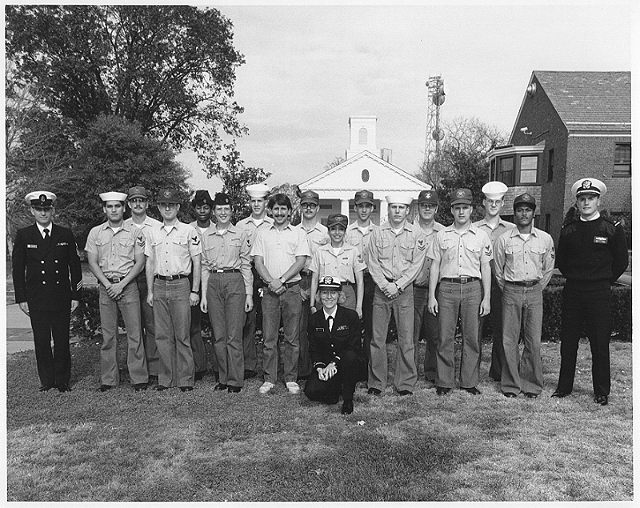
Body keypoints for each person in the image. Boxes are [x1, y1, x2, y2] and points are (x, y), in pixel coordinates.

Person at [552, 178, 628, 406]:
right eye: (582, 199)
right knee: (568, 342)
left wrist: (604, 279)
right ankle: (564, 387)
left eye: (591, 198)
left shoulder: (611, 229)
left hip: (598, 292)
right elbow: (562, 262)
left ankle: (601, 391)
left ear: (598, 200)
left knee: (599, 342)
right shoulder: (569, 230)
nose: (586, 202)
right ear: (577, 202)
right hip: (574, 290)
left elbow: (621, 262)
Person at [12, 191, 82, 392]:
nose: (43, 213)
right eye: (39, 209)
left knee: (61, 341)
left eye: (47, 209)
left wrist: (75, 294)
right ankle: (47, 381)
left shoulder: (64, 234)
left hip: (61, 297)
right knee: (41, 341)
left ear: (53, 210)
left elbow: (74, 266)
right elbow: (17, 269)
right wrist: (21, 298)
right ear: (32, 211)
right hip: (37, 298)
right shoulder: (24, 235)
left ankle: (62, 381)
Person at [427, 188, 492, 396]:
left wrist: (487, 297)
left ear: (472, 209)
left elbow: (486, 267)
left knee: (471, 337)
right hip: (447, 288)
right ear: (452, 210)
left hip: (473, 287)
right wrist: (431, 296)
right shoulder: (441, 235)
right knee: (444, 336)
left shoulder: (481, 236)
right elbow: (435, 266)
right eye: (457, 208)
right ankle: (444, 381)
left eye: (465, 207)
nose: (461, 212)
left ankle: (469, 381)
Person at [493, 193, 555, 398]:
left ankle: (530, 383)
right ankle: (510, 384)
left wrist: (536, 287)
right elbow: (498, 270)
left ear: (533, 213)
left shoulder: (545, 239)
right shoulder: (503, 239)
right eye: (520, 210)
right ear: (514, 213)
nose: (524, 213)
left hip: (535, 291)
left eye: (528, 210)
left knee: (533, 341)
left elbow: (548, 269)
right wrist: (510, 288)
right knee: (509, 339)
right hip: (511, 290)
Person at [86, 191, 148, 392]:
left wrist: (122, 284)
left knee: (134, 334)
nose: (114, 210)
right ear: (104, 209)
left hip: (128, 286)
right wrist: (107, 284)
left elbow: (140, 262)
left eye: (117, 206)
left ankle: (138, 378)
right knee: (108, 335)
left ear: (123, 208)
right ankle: (109, 379)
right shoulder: (95, 232)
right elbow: (92, 262)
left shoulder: (135, 233)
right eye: (110, 206)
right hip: (106, 287)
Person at [365, 193, 426, 396]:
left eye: (401, 208)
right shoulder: (377, 233)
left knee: (406, 338)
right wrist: (384, 284)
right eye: (394, 207)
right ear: (388, 209)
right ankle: (376, 382)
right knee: (377, 338)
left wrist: (398, 285)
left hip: (405, 291)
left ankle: (405, 383)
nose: (398, 211)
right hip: (381, 290)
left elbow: (416, 265)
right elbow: (372, 261)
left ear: (408, 210)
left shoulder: (416, 234)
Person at [251, 193, 311, 395]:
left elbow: (301, 260)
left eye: (283, 209)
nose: (279, 213)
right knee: (269, 337)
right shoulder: (263, 234)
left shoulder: (297, 233)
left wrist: (282, 280)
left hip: (292, 288)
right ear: (270, 210)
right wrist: (271, 282)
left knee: (292, 338)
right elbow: (258, 262)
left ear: (289, 211)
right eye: (275, 209)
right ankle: (269, 379)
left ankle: (291, 378)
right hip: (269, 291)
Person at [145, 189, 202, 392]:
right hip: (160, 284)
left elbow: (197, 261)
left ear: (178, 207)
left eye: (171, 205)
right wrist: (150, 291)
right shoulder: (152, 231)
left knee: (182, 334)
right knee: (162, 335)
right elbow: (150, 263)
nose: (167, 208)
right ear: (159, 208)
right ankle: (166, 379)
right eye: (163, 205)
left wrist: (195, 290)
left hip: (181, 285)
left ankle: (185, 379)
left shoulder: (188, 231)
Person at [200, 192, 253, 393]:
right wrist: (204, 295)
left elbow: (246, 265)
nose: (223, 213)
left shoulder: (240, 234)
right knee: (219, 335)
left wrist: (248, 295)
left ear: (232, 211)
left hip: (234, 280)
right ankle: (222, 377)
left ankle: (235, 380)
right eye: (219, 209)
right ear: (214, 212)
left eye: (226, 209)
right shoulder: (206, 236)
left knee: (234, 335)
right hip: (214, 281)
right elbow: (204, 266)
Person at [304, 276, 367, 415]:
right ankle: (335, 387)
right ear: (319, 296)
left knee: (350, 357)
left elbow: (354, 346)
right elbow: (314, 347)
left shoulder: (351, 316)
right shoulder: (315, 319)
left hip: (348, 362)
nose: (329, 297)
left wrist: (335, 363)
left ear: (339, 295)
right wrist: (320, 367)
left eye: (333, 293)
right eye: (324, 293)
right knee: (311, 391)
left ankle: (348, 399)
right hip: (327, 365)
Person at [472, 181, 514, 382]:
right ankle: (472, 372)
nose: (493, 205)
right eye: (490, 201)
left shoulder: (512, 229)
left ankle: (498, 372)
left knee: (501, 329)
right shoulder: (472, 228)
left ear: (503, 203)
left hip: (502, 285)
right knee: (474, 331)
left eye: (497, 201)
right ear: (483, 202)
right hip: (476, 284)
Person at [124, 185, 162, 383]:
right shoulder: (123, 225)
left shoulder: (156, 226)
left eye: (141, 200)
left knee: (153, 324)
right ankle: (138, 371)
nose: (138, 204)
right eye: (134, 201)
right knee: (134, 328)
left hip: (150, 278)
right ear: (129, 204)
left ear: (147, 203)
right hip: (129, 279)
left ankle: (155, 367)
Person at [236, 182, 273, 379]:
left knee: (268, 321)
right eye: (253, 201)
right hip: (248, 273)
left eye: (260, 201)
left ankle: (269, 366)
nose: (256, 205)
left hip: (267, 274)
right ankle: (248, 364)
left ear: (266, 202)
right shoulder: (241, 225)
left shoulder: (273, 223)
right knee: (247, 321)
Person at [412, 189, 444, 386]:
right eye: (424, 205)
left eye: (431, 206)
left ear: (436, 208)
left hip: (437, 290)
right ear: (418, 207)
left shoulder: (443, 231)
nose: (427, 209)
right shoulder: (409, 230)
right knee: (411, 334)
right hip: (413, 288)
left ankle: (432, 372)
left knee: (434, 334)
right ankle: (411, 372)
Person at [297, 190, 330, 382]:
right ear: (301, 207)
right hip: (298, 280)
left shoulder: (325, 232)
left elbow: (327, 260)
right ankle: (303, 370)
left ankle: (323, 366)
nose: (308, 208)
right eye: (305, 205)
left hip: (320, 282)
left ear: (317, 208)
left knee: (321, 327)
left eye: (312, 205)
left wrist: (316, 290)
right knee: (300, 328)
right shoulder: (294, 230)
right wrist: (300, 287)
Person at [309, 213, 365, 316]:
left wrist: (359, 306)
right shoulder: (320, 251)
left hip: (346, 292)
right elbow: (314, 280)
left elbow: (360, 281)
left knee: (346, 328)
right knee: (325, 328)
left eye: (341, 229)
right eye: (333, 229)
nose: (337, 233)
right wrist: (312, 304)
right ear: (328, 231)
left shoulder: (353, 251)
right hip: (325, 293)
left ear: (345, 231)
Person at [345, 190, 378, 365]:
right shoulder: (347, 231)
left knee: (372, 326)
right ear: (355, 207)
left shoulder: (379, 231)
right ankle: (353, 365)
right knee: (353, 324)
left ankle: (368, 366)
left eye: (367, 206)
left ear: (372, 208)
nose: (364, 210)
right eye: (360, 206)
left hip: (373, 281)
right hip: (353, 282)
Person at [189, 190, 218, 381]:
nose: (202, 211)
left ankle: (218, 367)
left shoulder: (217, 228)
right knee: (193, 325)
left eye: (206, 207)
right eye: (199, 207)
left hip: (214, 279)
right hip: (192, 279)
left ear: (212, 209)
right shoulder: (187, 229)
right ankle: (198, 366)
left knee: (217, 326)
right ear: (194, 209)